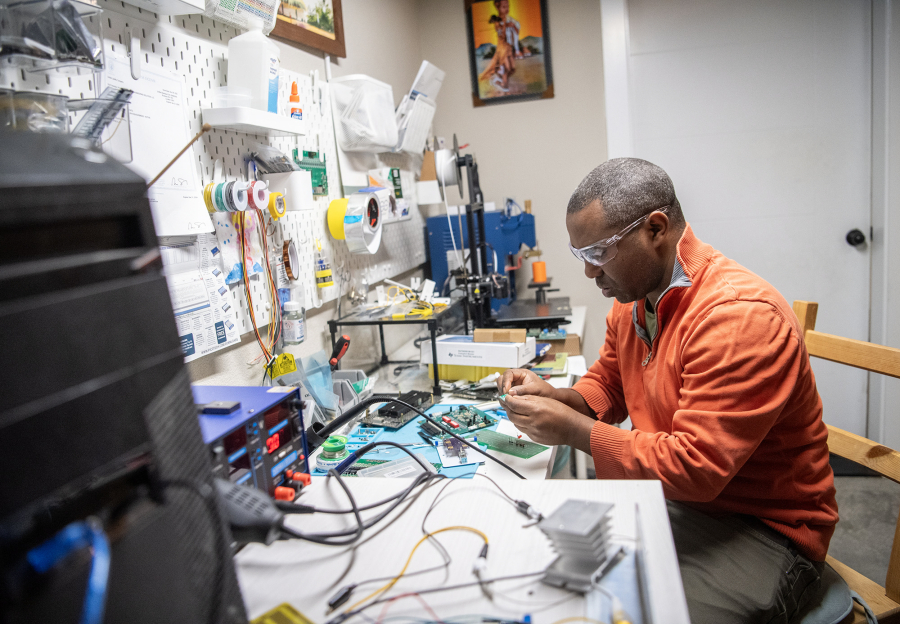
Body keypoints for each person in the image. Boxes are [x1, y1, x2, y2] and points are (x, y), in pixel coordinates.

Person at [498, 158, 838, 624]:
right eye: (583, 256)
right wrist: (562, 399)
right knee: (542, 583)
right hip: (671, 499)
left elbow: (696, 468)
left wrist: (575, 431)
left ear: (655, 228)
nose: (590, 273)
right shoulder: (634, 299)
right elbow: (609, 383)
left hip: (763, 527)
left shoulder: (738, 318)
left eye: (599, 252)